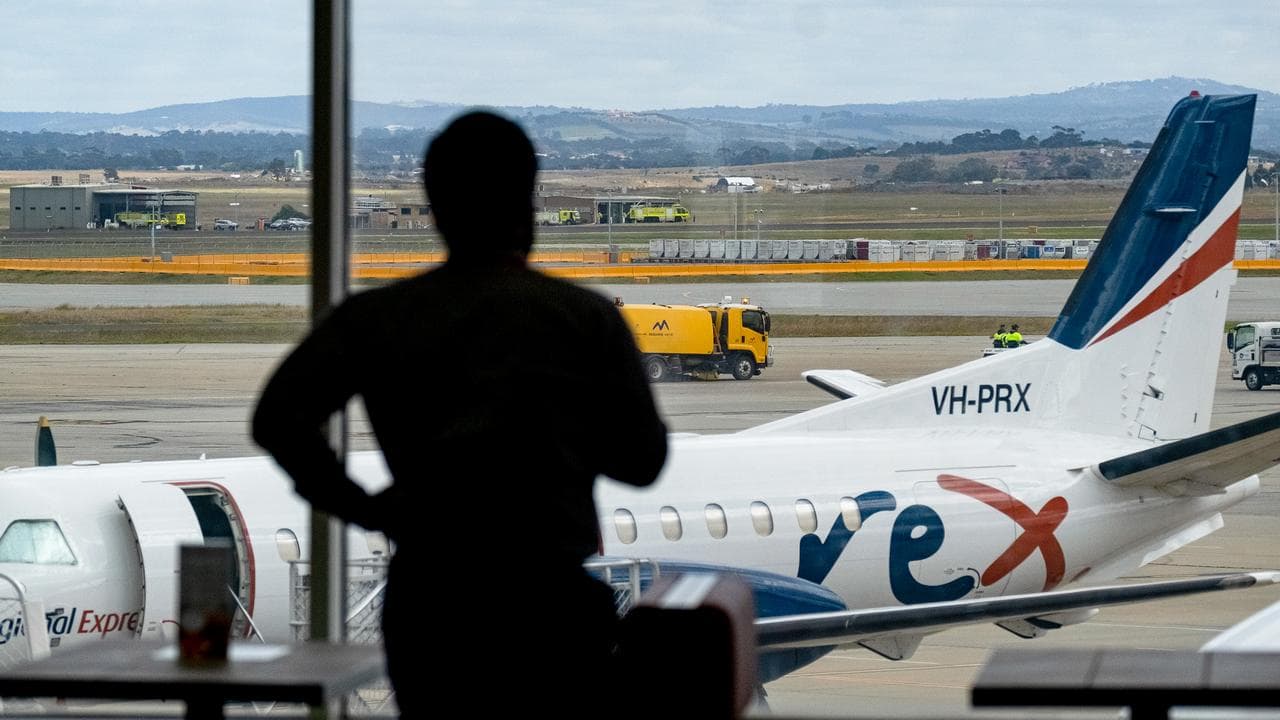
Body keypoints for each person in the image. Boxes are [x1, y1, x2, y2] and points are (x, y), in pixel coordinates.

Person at [252, 111, 669, 715]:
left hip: (434, 608)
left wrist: (366, 507)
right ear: (527, 203)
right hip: (549, 605)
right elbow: (643, 462)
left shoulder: (381, 319)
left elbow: (277, 419)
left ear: (436, 208)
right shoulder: (583, 318)